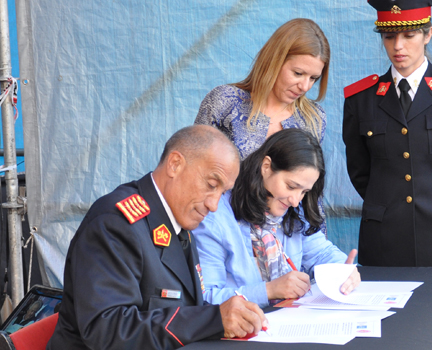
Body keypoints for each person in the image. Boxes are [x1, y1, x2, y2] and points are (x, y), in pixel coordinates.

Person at [47, 125, 267, 350]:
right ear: (175, 164)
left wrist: (230, 315)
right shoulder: (115, 223)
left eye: (222, 193)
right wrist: (212, 319)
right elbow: (107, 330)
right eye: (211, 185)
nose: (213, 204)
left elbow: (187, 305)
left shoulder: (178, 220)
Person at [342, 0, 432, 268]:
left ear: (428, 35)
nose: (398, 46)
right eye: (389, 36)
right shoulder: (360, 99)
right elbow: (359, 170)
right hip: (385, 240)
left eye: (409, 35)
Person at [193, 129, 360, 307]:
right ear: (266, 167)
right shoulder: (215, 217)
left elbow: (321, 254)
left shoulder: (293, 210)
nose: (296, 201)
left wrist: (342, 269)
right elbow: (207, 297)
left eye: (304, 192)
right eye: (290, 186)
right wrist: (269, 290)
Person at [194, 18, 330, 160]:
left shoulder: (314, 119)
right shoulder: (225, 101)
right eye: (298, 73)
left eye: (313, 78)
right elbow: (194, 164)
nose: (305, 86)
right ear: (274, 61)